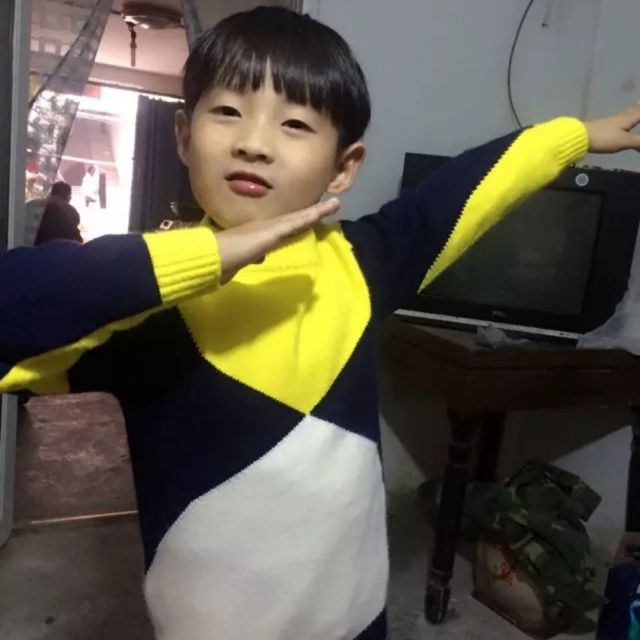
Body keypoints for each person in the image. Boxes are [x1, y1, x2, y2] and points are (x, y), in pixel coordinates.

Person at [0, 7, 639, 640]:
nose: (255, 142)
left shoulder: (362, 264)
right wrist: (202, 258)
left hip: (354, 620)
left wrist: (573, 137)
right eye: (228, 111)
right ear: (183, 136)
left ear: (343, 167)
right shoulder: (146, 305)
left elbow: (465, 191)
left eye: (295, 123)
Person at [33, 181, 83, 245]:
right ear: (67, 196)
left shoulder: (31, 204)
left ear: (51, 193)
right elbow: (76, 240)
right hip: (56, 247)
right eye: (70, 197)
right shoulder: (70, 211)